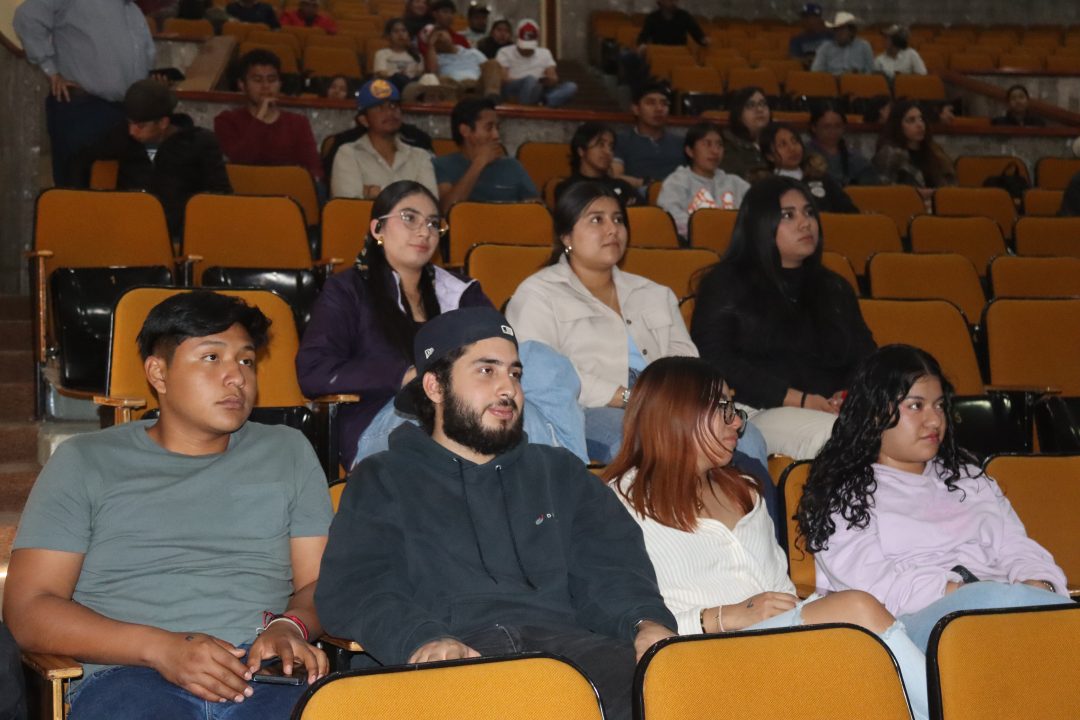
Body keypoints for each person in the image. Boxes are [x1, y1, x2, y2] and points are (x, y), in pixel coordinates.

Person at [315, 306, 678, 720]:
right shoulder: (383, 478)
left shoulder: (560, 473)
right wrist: (420, 639)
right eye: (487, 371)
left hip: (569, 656)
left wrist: (643, 622)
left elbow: (612, 570)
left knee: (677, 692)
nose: (509, 389)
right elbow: (359, 586)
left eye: (515, 374)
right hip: (450, 661)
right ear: (435, 386)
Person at [4, 291, 332, 718]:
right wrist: (160, 648)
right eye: (212, 357)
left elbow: (321, 583)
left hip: (261, 672)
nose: (236, 377)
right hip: (128, 674)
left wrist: (291, 625)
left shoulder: (287, 451)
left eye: (247, 360)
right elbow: (29, 609)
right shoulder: (85, 461)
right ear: (158, 372)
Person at [606, 356, 929, 720]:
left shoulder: (744, 491)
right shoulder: (620, 501)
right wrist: (725, 617)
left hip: (773, 645)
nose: (737, 422)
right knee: (856, 609)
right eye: (724, 409)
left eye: (736, 409)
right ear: (678, 411)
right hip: (697, 657)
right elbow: (620, 622)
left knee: (863, 648)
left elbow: (780, 590)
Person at [796, 344, 1072, 652]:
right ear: (875, 413)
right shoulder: (846, 495)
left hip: (1004, 607)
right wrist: (967, 593)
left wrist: (1040, 584)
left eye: (939, 406)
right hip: (913, 627)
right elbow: (874, 586)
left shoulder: (970, 480)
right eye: (916, 406)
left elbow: (1018, 548)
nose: (934, 421)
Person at [506, 181, 769, 471]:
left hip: (670, 407)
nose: (612, 229)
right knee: (645, 442)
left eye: (618, 219)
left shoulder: (654, 293)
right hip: (591, 410)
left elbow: (687, 360)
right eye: (597, 220)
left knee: (748, 439)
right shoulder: (538, 294)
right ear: (566, 235)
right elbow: (539, 372)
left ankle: (742, 502)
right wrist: (630, 397)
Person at [297, 181, 489, 469]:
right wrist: (404, 375)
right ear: (378, 229)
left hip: (466, 410)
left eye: (433, 223)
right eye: (409, 218)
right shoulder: (347, 290)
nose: (424, 231)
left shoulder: (461, 292)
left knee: (538, 358)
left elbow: (500, 354)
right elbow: (313, 371)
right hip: (385, 418)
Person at [691, 175, 876, 459]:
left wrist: (847, 395)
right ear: (760, 224)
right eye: (788, 215)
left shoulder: (835, 287)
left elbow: (865, 354)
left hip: (832, 409)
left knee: (903, 429)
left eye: (809, 212)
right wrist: (798, 399)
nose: (805, 223)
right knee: (840, 436)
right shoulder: (726, 283)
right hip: (755, 410)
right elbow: (715, 360)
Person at [14, 0, 156, 187]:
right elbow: (27, 17)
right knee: (76, 188)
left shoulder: (132, 10)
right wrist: (51, 71)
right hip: (83, 108)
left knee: (129, 189)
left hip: (123, 112)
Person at [76, 79, 232, 238]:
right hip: (130, 229)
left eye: (140, 126)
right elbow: (83, 159)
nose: (132, 131)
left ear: (163, 123)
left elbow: (220, 195)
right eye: (129, 123)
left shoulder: (198, 143)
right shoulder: (121, 138)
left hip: (181, 234)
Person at [214, 49, 325, 185]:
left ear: (280, 84)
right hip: (245, 191)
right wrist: (260, 118)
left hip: (288, 190)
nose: (266, 86)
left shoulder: (298, 122)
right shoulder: (226, 120)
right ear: (242, 85)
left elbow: (313, 169)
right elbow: (240, 161)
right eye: (257, 80)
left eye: (272, 80)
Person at [330, 79, 437, 199]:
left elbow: (430, 202)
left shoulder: (420, 156)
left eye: (393, 106)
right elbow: (348, 205)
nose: (390, 112)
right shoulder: (348, 154)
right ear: (364, 120)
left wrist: (373, 192)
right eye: (379, 108)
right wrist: (408, 196)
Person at [433, 97, 539, 213]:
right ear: (465, 131)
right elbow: (447, 210)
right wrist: (479, 163)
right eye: (489, 128)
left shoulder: (513, 166)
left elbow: (538, 211)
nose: (496, 135)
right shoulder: (441, 165)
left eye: (497, 128)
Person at [657, 121, 751, 238]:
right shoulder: (676, 182)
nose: (715, 151)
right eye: (707, 144)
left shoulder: (736, 183)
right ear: (690, 151)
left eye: (719, 145)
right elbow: (670, 216)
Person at [759, 122, 858, 214]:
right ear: (769, 156)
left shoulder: (820, 177)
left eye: (795, 141)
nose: (792, 148)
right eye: (783, 145)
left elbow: (850, 212)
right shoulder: (766, 186)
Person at [873, 99, 956, 200]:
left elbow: (947, 185)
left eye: (921, 119)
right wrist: (914, 193)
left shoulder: (933, 151)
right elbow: (882, 191)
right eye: (911, 120)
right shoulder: (889, 154)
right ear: (898, 125)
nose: (919, 125)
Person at [612, 81, 684, 194]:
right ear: (636, 109)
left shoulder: (681, 143)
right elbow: (615, 176)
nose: (659, 109)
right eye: (651, 103)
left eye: (664, 104)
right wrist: (647, 184)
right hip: (638, 197)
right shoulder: (621, 141)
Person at [554, 122, 640, 207]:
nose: (608, 152)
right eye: (601, 145)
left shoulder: (621, 186)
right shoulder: (568, 188)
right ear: (581, 151)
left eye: (611, 147)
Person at [496, 19, 578, 108]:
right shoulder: (504, 52)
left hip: (539, 89)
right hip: (514, 89)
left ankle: (543, 104)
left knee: (571, 87)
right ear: (517, 38)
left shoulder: (545, 53)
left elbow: (553, 77)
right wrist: (529, 82)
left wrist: (547, 80)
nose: (526, 49)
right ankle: (527, 108)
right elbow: (503, 79)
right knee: (530, 80)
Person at [806, 103, 881, 186]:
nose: (833, 131)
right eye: (827, 126)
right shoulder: (804, 154)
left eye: (838, 126)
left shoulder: (856, 158)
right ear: (814, 127)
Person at [423, 27, 501, 98]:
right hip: (453, 88)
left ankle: (492, 98)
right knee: (441, 80)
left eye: (440, 34)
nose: (439, 38)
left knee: (493, 63)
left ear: (450, 35)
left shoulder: (472, 52)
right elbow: (431, 73)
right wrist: (431, 46)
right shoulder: (437, 59)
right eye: (434, 38)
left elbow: (489, 70)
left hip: (477, 86)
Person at [720, 86, 772, 182]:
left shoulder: (778, 140)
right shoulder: (728, 146)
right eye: (751, 105)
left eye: (763, 104)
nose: (760, 109)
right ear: (738, 115)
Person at [811, 11, 874, 76]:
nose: (838, 33)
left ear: (852, 31)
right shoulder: (825, 48)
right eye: (836, 29)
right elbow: (816, 72)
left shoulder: (864, 46)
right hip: (832, 80)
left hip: (857, 81)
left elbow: (870, 72)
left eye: (842, 29)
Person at [372, 18, 424, 91]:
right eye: (396, 31)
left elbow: (419, 76)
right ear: (388, 36)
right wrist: (400, 76)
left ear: (408, 34)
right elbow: (382, 74)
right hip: (390, 87)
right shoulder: (382, 53)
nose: (400, 34)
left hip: (411, 88)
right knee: (398, 78)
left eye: (404, 31)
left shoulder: (417, 55)